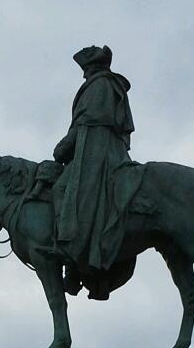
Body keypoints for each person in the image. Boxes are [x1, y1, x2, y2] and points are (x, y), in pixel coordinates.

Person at [52, 45, 140, 299]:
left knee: (65, 192)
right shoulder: (109, 86)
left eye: (85, 70)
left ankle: (73, 259)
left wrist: (63, 147)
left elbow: (85, 123)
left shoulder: (99, 85)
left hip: (96, 152)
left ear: (93, 68)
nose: (83, 75)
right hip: (108, 149)